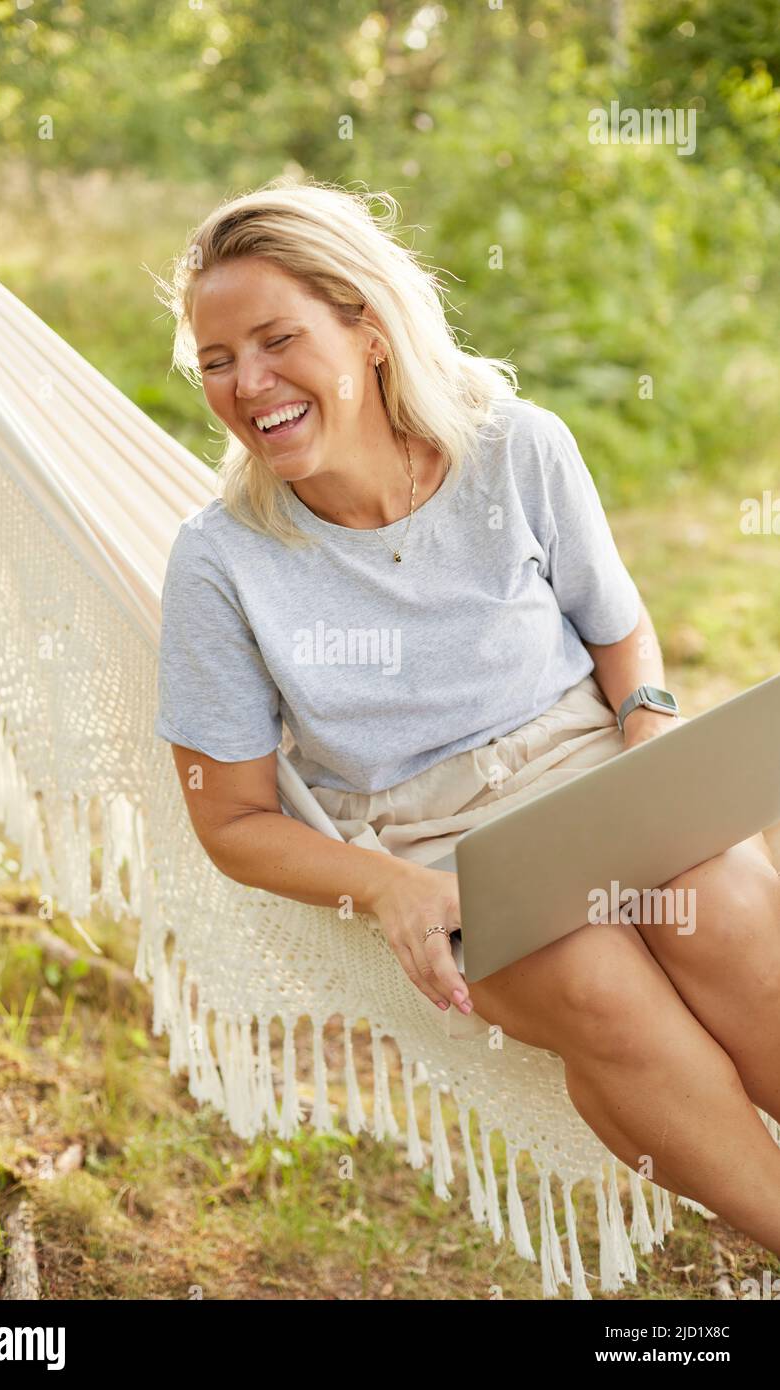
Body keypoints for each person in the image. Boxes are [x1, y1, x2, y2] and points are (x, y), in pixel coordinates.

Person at [153, 179, 780, 1255]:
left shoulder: (514, 447)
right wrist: (392, 886)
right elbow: (231, 822)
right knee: (599, 991)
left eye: (276, 341)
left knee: (719, 906)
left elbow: (620, 639)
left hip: (590, 769)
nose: (247, 384)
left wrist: (650, 733)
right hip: (436, 841)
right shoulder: (219, 565)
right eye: (217, 360)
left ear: (367, 329)